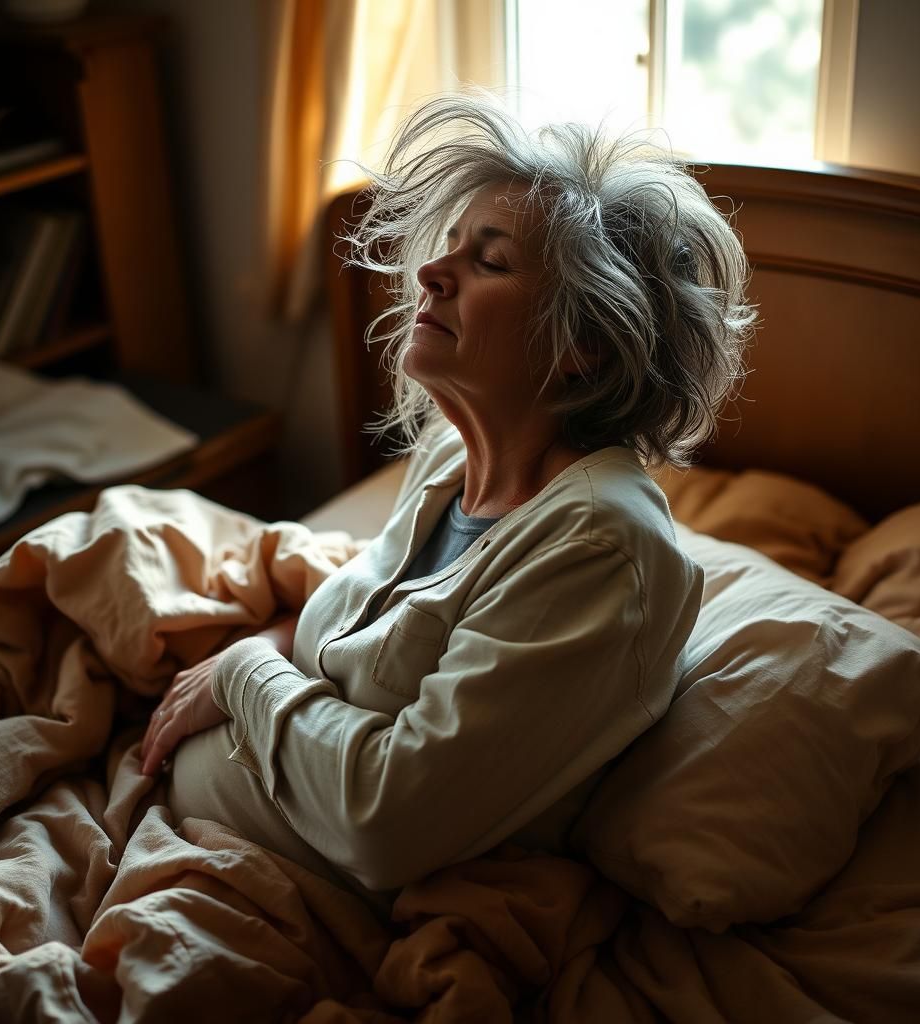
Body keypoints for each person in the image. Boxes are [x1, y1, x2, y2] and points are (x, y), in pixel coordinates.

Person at [142, 93, 755, 902]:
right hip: (165, 820)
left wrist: (243, 674)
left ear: (585, 345)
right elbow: (359, 631)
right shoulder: (448, 462)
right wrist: (278, 638)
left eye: (490, 262)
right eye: (452, 246)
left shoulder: (599, 551)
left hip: (257, 891)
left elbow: (386, 818)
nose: (430, 271)